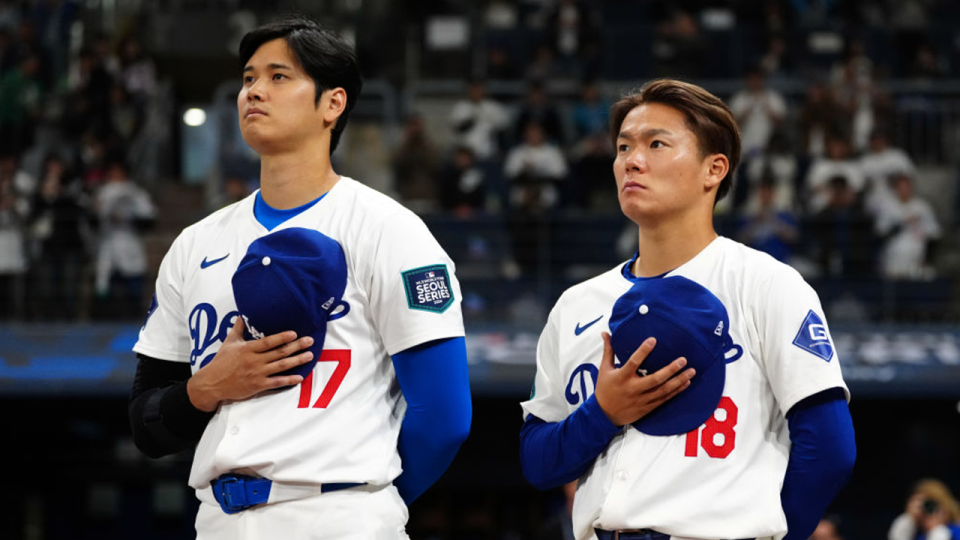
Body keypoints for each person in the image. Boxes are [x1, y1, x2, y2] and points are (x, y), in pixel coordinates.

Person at [128, 17, 471, 540]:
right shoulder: (194, 244)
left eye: (278, 77)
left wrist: (370, 502)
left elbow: (444, 417)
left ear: (333, 104)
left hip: (339, 515)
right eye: (247, 79)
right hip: (218, 520)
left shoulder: (390, 230)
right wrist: (202, 391)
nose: (254, 92)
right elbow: (146, 424)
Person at [519, 79, 856, 540]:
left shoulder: (766, 284)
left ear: (713, 170)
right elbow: (538, 463)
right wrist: (603, 412)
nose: (631, 161)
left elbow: (830, 448)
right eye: (623, 147)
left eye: (656, 144)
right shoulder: (576, 304)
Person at [888, 479, 960, 540]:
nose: (927, 511)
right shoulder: (917, 534)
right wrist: (909, 519)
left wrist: (937, 529)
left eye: (931, 505)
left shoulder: (956, 531)